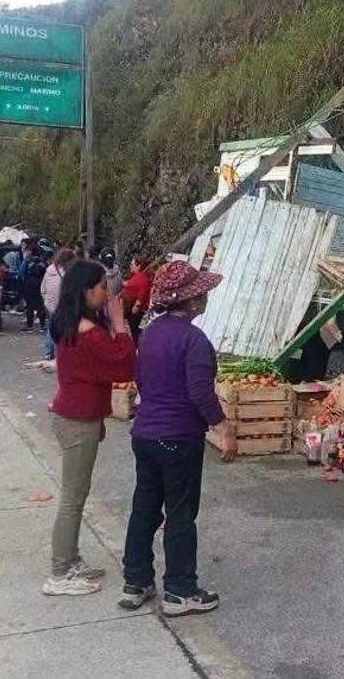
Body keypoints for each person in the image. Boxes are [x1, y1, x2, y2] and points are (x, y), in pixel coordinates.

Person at [119, 261, 236, 616]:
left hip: (146, 434)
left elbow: (142, 378)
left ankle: (136, 580)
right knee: (181, 512)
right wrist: (224, 428)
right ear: (193, 300)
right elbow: (200, 392)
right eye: (201, 293)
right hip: (178, 437)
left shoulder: (151, 333)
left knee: (145, 507)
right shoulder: (194, 340)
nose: (205, 297)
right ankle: (180, 589)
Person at [43, 260, 136, 596]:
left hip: (78, 417)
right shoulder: (89, 333)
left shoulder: (71, 324)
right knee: (72, 498)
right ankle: (59, 572)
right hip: (77, 422)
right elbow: (123, 363)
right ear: (85, 290)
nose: (106, 293)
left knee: (76, 496)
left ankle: (70, 559)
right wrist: (119, 322)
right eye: (101, 287)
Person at [40, 249, 78, 361]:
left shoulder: (49, 269)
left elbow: (43, 288)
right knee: (62, 330)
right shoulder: (70, 272)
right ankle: (59, 355)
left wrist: (47, 300)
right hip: (63, 305)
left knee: (51, 326)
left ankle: (47, 352)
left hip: (50, 304)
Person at [121, 254, 153, 342]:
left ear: (138, 266)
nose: (130, 266)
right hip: (131, 307)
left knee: (134, 329)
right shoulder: (137, 276)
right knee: (133, 328)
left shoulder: (141, 278)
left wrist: (136, 306)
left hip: (135, 310)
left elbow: (142, 293)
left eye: (132, 264)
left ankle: (136, 345)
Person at [20, 240, 49, 333]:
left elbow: (21, 272)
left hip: (29, 284)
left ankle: (29, 326)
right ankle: (42, 325)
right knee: (41, 304)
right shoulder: (42, 262)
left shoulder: (28, 261)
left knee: (30, 305)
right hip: (40, 283)